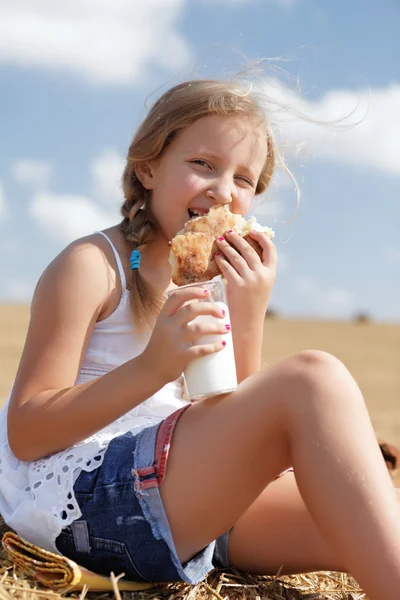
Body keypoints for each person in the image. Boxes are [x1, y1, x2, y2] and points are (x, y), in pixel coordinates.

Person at [0, 79, 399, 600]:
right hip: (87, 501)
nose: (223, 190)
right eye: (203, 164)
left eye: (245, 179)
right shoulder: (93, 266)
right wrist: (152, 368)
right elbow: (27, 432)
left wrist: (247, 311)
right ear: (147, 168)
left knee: (371, 514)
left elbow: (236, 422)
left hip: (178, 498)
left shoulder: (204, 281)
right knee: (314, 377)